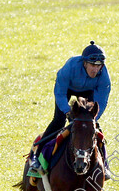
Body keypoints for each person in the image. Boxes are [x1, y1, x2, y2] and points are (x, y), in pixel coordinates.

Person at [30, 41, 111, 178]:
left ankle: (105, 165)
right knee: (58, 121)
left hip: (88, 92)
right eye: (92, 65)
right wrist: (68, 112)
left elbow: (101, 102)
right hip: (66, 89)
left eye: (99, 66)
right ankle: (38, 159)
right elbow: (60, 93)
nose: (95, 70)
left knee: (93, 126)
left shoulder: (104, 77)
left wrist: (90, 119)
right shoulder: (70, 67)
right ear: (84, 63)